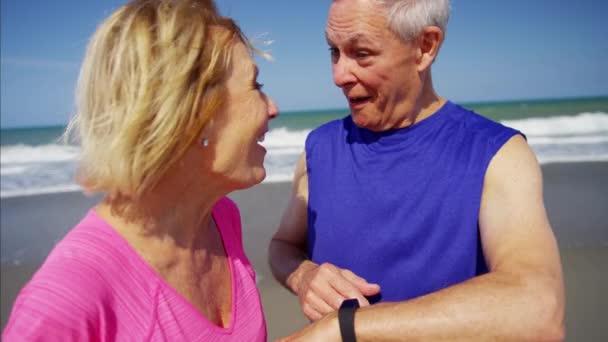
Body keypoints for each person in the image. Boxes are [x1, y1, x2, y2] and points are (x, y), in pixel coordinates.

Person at [269, 0, 564, 340]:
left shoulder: (497, 155)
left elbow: (539, 309)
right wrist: (303, 275)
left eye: (361, 53)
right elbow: (282, 246)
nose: (339, 76)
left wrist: (345, 329)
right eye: (334, 52)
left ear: (425, 47)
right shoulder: (319, 148)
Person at [2, 0, 279, 341]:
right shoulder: (66, 304)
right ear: (193, 113)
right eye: (256, 86)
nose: (273, 108)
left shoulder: (221, 218)